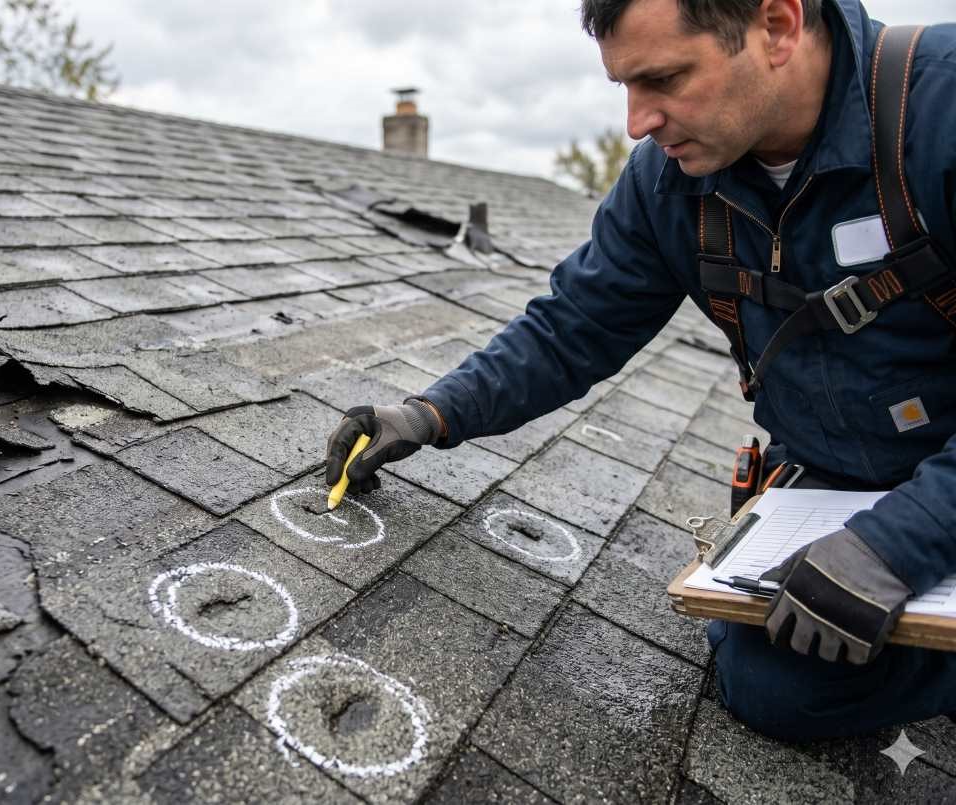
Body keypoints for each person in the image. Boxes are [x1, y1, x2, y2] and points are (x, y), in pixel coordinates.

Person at [324, 0, 956, 742]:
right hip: (827, 485)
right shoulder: (669, 183)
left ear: (779, 25)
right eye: (625, 86)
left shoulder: (939, 113)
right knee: (769, 682)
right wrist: (429, 414)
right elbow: (573, 325)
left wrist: (901, 543)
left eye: (664, 79)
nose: (637, 122)